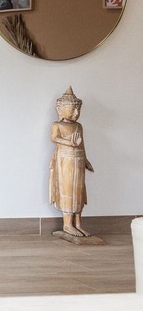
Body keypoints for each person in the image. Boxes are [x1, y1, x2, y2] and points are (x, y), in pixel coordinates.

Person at [49, 86, 93, 237]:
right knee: (68, 189)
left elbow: (82, 144)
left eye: (78, 110)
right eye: (73, 109)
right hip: (65, 160)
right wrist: (69, 143)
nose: (76, 113)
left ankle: (78, 224)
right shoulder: (57, 125)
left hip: (79, 159)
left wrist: (86, 159)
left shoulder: (78, 126)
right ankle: (67, 225)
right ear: (61, 109)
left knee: (79, 190)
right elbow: (54, 138)